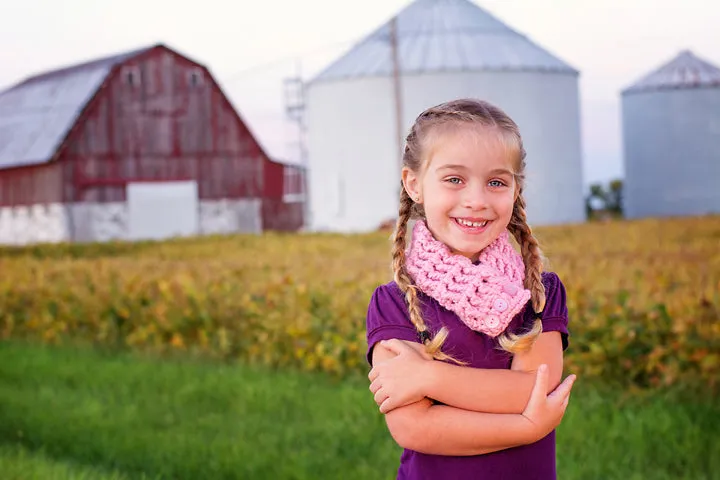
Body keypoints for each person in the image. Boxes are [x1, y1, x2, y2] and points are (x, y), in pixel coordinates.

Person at [365, 98, 577, 479]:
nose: (476, 200)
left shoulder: (539, 293)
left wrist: (430, 378)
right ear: (414, 184)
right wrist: (527, 426)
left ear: (515, 190)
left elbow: (533, 389)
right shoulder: (397, 303)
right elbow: (415, 427)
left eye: (496, 182)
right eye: (454, 179)